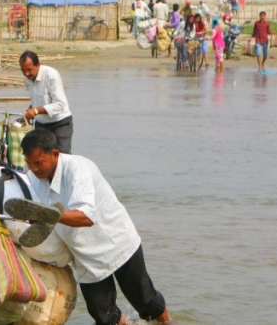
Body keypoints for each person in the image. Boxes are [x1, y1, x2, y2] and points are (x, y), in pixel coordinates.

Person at [18, 129, 173, 325]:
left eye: (39, 163)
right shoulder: (33, 176)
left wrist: (49, 215)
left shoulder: (78, 169)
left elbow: (86, 217)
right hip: (83, 254)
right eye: (29, 163)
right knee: (104, 316)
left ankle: (167, 323)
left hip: (115, 241)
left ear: (55, 154)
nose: (34, 169)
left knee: (145, 301)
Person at [19, 51, 73, 154]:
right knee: (40, 156)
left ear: (38, 65)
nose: (26, 74)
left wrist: (35, 110)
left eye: (29, 70)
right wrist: (28, 114)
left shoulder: (51, 75)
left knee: (62, 156)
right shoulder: (27, 79)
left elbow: (60, 105)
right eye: (23, 70)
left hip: (60, 123)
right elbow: (36, 99)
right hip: (41, 124)